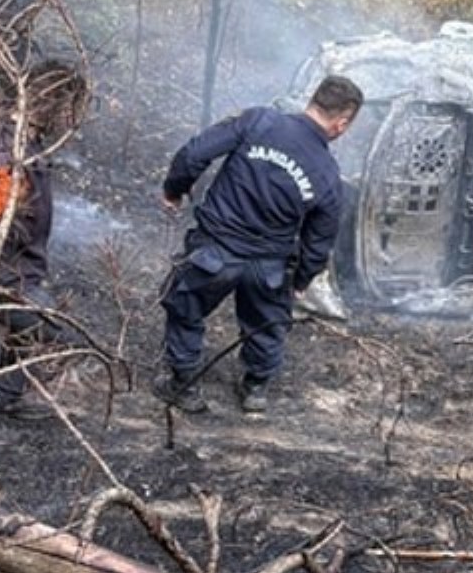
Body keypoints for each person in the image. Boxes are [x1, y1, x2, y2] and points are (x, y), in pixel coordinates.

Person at [151, 75, 363, 415]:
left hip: (215, 251)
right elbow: (320, 238)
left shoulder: (259, 121)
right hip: (269, 265)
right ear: (341, 124)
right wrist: (303, 279)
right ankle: (255, 389)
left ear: (313, 101)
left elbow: (194, 154)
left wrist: (174, 190)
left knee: (185, 307)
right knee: (266, 324)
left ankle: (184, 383)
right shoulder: (327, 173)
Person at [0, 61, 88, 421]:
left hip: (21, 272)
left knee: (34, 323)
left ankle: (2, 394)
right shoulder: (7, 161)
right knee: (59, 334)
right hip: (1, 277)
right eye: (69, 110)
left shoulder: (23, 144)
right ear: (51, 105)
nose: (71, 122)